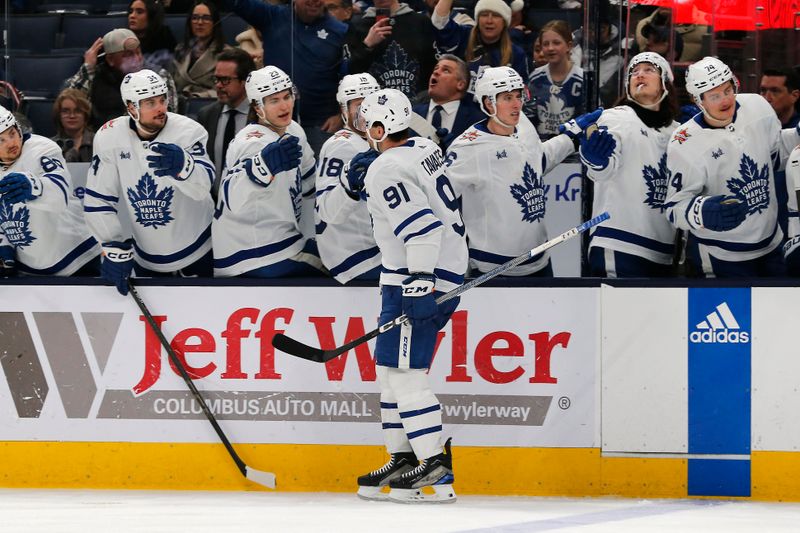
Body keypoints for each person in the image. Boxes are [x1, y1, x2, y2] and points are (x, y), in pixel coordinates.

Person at [342, 88, 467, 503]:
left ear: (381, 128)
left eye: (367, 124)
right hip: (426, 272)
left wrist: (419, 283)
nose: (363, 130)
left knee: (406, 374)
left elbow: (423, 228)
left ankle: (435, 467)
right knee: (389, 372)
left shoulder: (386, 169)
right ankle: (402, 457)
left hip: (416, 276)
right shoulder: (423, 147)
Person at [445, 66, 600, 277]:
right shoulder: (468, 148)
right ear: (488, 103)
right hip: (493, 269)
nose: (517, 104)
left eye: (518, 96)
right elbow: (440, 200)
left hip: (540, 259)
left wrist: (572, 137)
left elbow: (538, 160)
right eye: (507, 98)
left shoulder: (524, 126)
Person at [663, 57, 800, 277]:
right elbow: (673, 207)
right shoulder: (684, 142)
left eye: (728, 90)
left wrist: (796, 136)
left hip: (771, 246)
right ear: (699, 100)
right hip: (720, 257)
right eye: (715, 96)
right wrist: (701, 211)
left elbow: (774, 158)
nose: (726, 100)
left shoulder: (758, 106)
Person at [84, 70, 216, 295]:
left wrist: (186, 168)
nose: (161, 108)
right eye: (151, 102)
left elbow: (204, 187)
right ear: (132, 107)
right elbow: (98, 199)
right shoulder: (109, 137)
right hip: (147, 256)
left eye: (162, 99)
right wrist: (112, 246)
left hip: (199, 250)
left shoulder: (189, 132)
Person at [212, 66, 323, 278]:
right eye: (274, 100)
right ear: (257, 106)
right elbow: (231, 199)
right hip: (249, 253)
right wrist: (261, 167)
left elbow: (312, 186)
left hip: (281, 241)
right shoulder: (250, 143)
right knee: (340, 264)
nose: (284, 106)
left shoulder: (293, 130)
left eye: (286, 96)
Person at [581, 52, 680, 277]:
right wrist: (596, 161)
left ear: (665, 82)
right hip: (621, 243)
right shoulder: (616, 118)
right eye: (634, 72)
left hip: (663, 249)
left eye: (648, 70)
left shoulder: (676, 132)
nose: (639, 75)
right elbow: (603, 170)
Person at [222, 0, 347, 156]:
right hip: (271, 123)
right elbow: (236, 3)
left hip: (320, 125)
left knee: (317, 178)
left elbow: (347, 76)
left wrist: (340, 114)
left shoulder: (340, 31)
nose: (314, 1)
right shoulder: (272, 16)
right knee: (269, 175)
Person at [0, 105, 101, 277]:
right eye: (1, 140)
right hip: (28, 266)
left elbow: (60, 195)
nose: (11, 142)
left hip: (77, 257)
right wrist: (3, 244)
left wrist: (35, 186)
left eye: (12, 133)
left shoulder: (41, 148)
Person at [315, 73, 382, 283]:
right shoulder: (341, 145)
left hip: (373, 248)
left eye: (371, 104)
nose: (367, 112)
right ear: (344, 110)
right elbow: (326, 209)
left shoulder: (376, 141)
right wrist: (348, 186)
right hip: (354, 255)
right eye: (359, 106)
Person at [64, 28, 178, 130]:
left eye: (138, 52)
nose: (137, 59)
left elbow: (167, 117)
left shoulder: (157, 76)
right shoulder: (95, 76)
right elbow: (69, 105)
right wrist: (87, 68)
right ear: (110, 60)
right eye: (128, 55)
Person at [345, 0, 436, 99]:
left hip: (417, 102)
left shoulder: (420, 21)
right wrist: (367, 45)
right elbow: (350, 72)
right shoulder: (357, 26)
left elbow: (431, 65)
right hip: (375, 104)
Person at [196, 48, 257, 189]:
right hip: (213, 201)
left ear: (245, 81)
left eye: (225, 80)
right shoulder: (206, 115)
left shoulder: (261, 116)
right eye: (216, 79)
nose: (218, 85)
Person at [431, 0, 529, 84]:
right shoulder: (464, 35)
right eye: (484, 15)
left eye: (496, 15)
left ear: (504, 22)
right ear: (477, 19)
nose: (489, 21)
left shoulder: (516, 54)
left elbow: (522, 91)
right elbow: (439, 22)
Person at [525, 20, 584, 140]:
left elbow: (591, 118)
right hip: (541, 147)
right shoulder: (535, 78)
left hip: (573, 150)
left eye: (556, 43)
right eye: (546, 44)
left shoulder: (583, 79)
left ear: (569, 46)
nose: (550, 48)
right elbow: (527, 117)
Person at [409, 54, 483, 150]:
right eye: (436, 68)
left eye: (446, 70)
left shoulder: (477, 121)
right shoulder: (411, 115)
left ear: (460, 84)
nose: (436, 72)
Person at [173, 0, 229, 99]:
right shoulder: (180, 50)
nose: (199, 22)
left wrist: (200, 96)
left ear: (214, 22)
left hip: (208, 104)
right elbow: (172, 85)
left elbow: (229, 90)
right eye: (195, 18)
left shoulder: (226, 53)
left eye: (206, 18)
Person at [128, 0, 177, 71]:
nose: (132, 16)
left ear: (152, 16)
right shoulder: (124, 38)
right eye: (130, 11)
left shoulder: (165, 38)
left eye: (139, 12)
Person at [50, 89, 95, 163]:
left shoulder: (98, 142)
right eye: (65, 111)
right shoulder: (50, 146)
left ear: (85, 115)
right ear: (59, 115)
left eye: (77, 111)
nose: (72, 116)